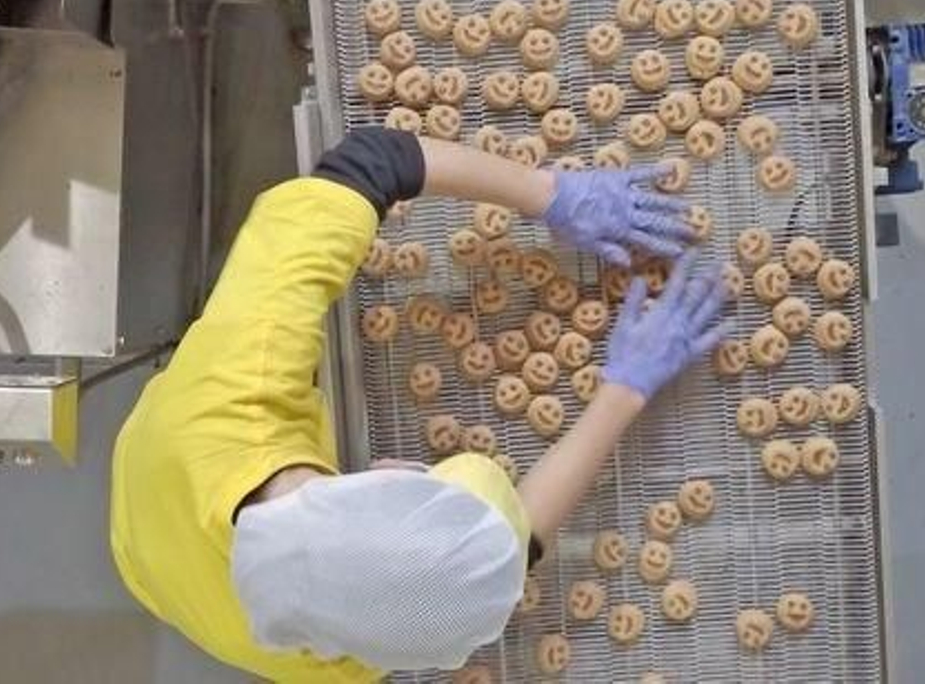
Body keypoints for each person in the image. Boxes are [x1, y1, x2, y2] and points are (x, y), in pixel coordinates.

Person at [110, 129, 729, 680]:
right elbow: (504, 556)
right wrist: (624, 390)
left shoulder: (247, 363)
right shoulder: (345, 656)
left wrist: (552, 194)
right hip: (161, 577)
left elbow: (373, 158)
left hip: (153, 526)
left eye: (428, 478)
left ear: (383, 479)